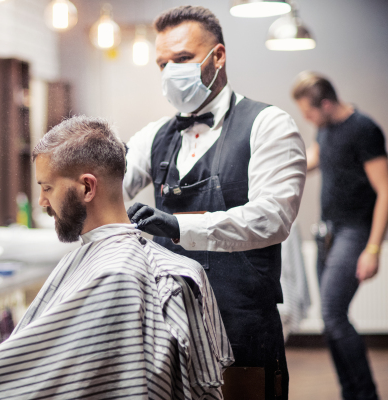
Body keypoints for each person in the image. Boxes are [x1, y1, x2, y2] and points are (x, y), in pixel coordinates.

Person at [0, 116, 233, 400]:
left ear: (86, 187)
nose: (41, 201)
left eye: (47, 187)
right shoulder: (115, 262)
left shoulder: (117, 276)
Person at [124, 6, 307, 399]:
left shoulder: (269, 125)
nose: (171, 71)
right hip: (171, 328)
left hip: (242, 328)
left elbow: (272, 218)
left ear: (218, 56)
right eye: (163, 64)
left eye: (183, 59)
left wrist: (178, 227)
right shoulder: (154, 136)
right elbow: (111, 184)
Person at [292, 71, 388, 400]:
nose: (307, 118)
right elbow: (315, 158)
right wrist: (278, 165)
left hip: (355, 232)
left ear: (327, 104)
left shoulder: (364, 129)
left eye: (308, 112)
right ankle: (351, 393)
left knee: (333, 314)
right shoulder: (326, 128)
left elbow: (385, 190)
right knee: (330, 319)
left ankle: (366, 395)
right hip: (328, 233)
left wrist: (373, 248)